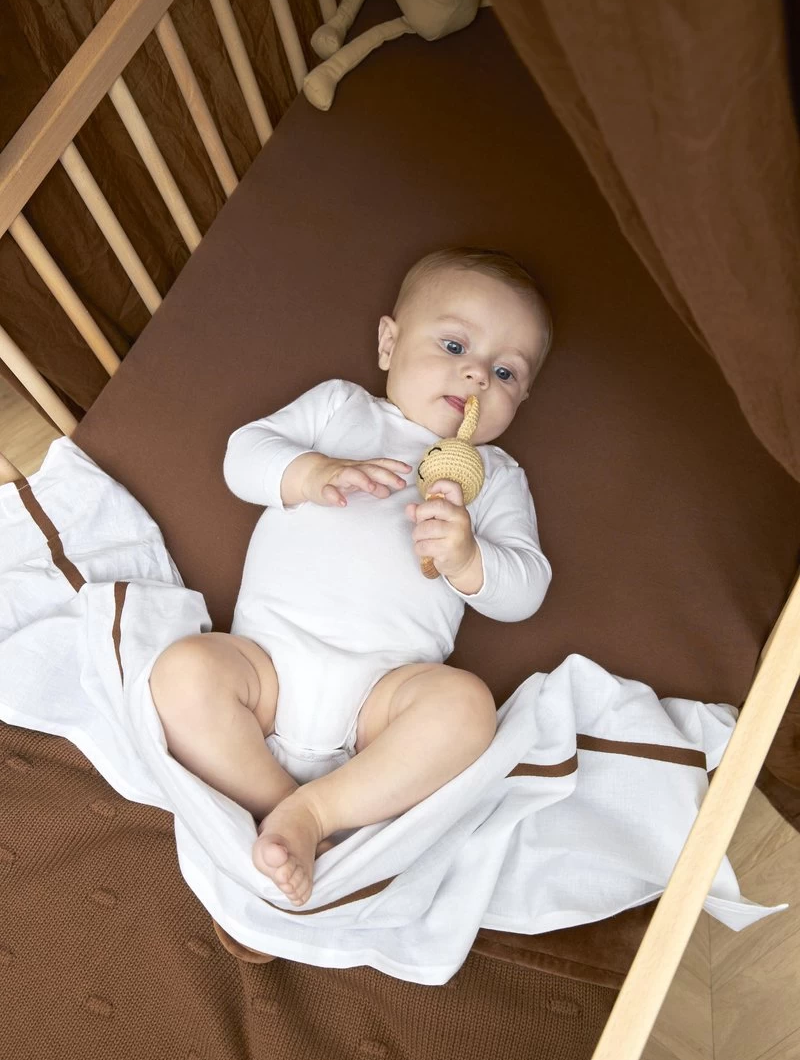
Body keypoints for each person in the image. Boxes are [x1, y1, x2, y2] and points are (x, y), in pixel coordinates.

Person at [149, 247, 553, 907]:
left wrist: (468, 558)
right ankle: (289, 808)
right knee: (184, 671)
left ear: (522, 398)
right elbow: (243, 456)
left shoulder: (496, 478)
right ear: (389, 344)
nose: (477, 374)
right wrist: (314, 473)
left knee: (467, 709)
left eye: (505, 372)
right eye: (455, 345)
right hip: (264, 672)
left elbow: (527, 588)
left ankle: (313, 813)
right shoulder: (341, 409)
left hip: (381, 704)